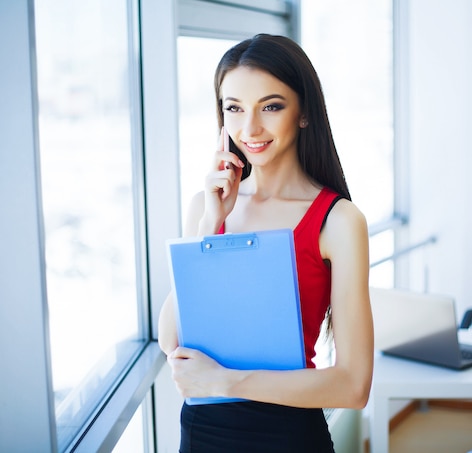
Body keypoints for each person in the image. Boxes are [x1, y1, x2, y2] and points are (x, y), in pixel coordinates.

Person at [158, 34, 373, 453]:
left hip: (287, 436)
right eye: (234, 109)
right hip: (202, 435)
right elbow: (171, 340)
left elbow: (353, 385)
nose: (249, 128)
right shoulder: (206, 207)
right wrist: (210, 225)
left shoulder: (340, 221)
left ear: (304, 113)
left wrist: (225, 381)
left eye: (270, 107)